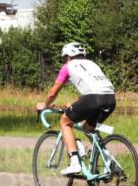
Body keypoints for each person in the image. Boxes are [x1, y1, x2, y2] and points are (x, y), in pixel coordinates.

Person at [36, 42, 116, 175]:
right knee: (87, 129)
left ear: (68, 57)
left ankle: (74, 163)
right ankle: (109, 160)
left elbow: (52, 93)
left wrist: (45, 105)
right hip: (110, 99)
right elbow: (94, 88)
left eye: (64, 58)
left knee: (64, 122)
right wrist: (76, 104)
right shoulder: (92, 64)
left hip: (92, 99)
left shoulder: (68, 66)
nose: (64, 60)